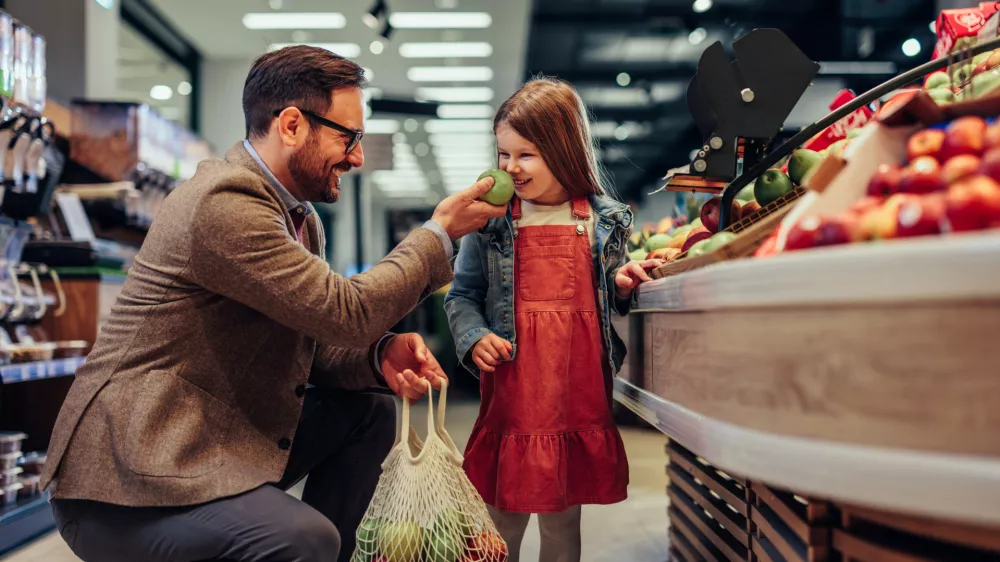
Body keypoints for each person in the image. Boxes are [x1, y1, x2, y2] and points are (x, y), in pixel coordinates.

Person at [40, 46, 506, 562]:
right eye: (348, 137)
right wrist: (438, 234)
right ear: (290, 125)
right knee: (303, 539)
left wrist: (379, 356)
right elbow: (345, 313)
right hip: (126, 482)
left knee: (370, 411)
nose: (356, 156)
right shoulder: (225, 201)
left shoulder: (299, 218)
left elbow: (316, 347)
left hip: (202, 445)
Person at [444, 78, 662, 562]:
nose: (509, 167)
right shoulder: (490, 222)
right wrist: (474, 335)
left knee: (564, 524)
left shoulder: (603, 221)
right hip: (514, 395)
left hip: (575, 396)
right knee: (500, 521)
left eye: (526, 155)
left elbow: (610, 293)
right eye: (504, 154)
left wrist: (623, 282)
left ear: (564, 150)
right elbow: (462, 296)